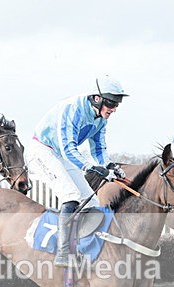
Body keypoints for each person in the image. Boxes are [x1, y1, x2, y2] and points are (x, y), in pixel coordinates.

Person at [27, 75, 129, 266]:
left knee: (92, 201)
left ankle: (82, 248)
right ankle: (63, 253)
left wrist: (109, 166)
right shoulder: (72, 109)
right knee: (71, 195)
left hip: (61, 156)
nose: (114, 109)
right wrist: (92, 168)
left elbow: (98, 148)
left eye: (117, 104)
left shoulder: (101, 119)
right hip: (42, 151)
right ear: (97, 98)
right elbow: (68, 148)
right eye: (111, 103)